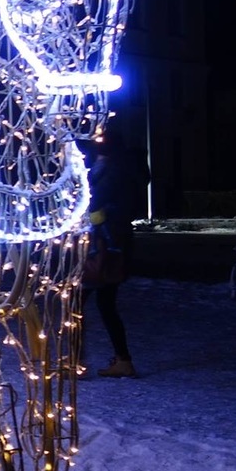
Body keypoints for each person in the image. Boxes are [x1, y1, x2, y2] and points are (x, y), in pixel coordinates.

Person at [83, 134, 148, 377]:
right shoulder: (123, 170)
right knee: (105, 304)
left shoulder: (110, 172)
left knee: (77, 304)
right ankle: (123, 360)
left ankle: (76, 362)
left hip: (102, 248)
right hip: (113, 247)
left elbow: (93, 203)